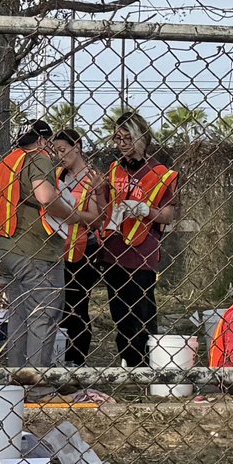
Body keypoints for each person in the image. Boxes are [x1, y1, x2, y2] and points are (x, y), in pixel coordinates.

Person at [0, 118, 75, 372]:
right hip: (32, 248)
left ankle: (19, 377)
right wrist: (75, 216)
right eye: (50, 143)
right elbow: (44, 196)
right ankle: (38, 384)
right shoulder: (38, 156)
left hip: (2, 246)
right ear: (42, 140)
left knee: (20, 314)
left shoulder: (6, 163)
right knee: (45, 310)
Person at [92, 112, 178, 367]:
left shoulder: (160, 173)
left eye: (126, 137)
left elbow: (169, 215)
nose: (121, 143)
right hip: (113, 247)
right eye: (117, 138)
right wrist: (98, 191)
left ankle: (147, 362)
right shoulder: (114, 169)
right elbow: (105, 207)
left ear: (140, 136)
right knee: (119, 313)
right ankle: (129, 361)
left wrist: (144, 210)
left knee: (142, 311)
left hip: (142, 250)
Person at [47, 128, 104, 363]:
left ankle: (76, 359)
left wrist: (70, 214)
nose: (59, 155)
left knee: (77, 305)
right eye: (55, 151)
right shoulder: (57, 175)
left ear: (77, 147)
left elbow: (97, 216)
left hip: (84, 250)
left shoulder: (92, 178)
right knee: (56, 306)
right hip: (57, 247)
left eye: (62, 149)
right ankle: (58, 357)